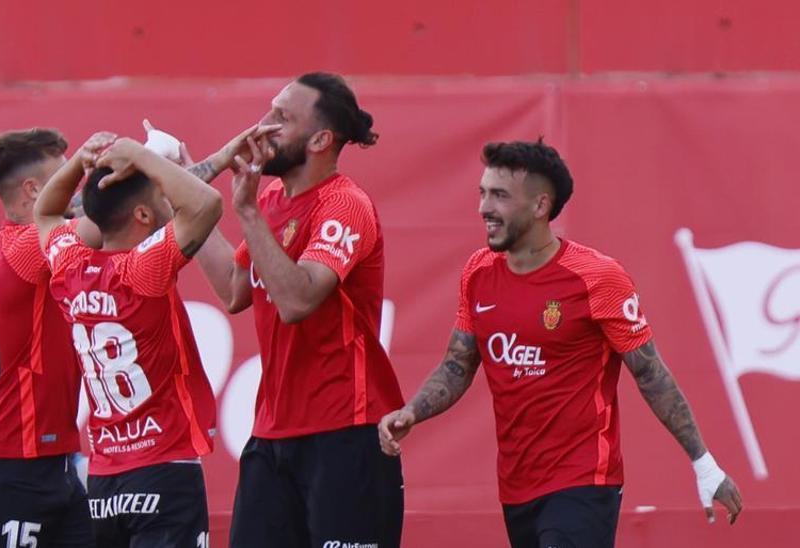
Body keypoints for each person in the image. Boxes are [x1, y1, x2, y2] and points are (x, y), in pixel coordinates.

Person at [378, 139, 745, 547]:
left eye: (499, 195)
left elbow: (650, 373)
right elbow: (458, 364)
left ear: (540, 206)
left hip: (584, 480)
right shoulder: (478, 272)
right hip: (516, 485)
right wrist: (412, 411)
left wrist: (704, 463)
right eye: (482, 193)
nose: (484, 207)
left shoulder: (597, 277)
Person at [195, 72, 405, 548]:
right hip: (271, 435)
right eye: (269, 112)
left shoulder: (344, 205)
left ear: (321, 139)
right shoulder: (271, 200)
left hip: (345, 434)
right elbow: (234, 290)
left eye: (281, 118)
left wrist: (245, 212)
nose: (263, 127)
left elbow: (297, 300)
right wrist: (188, 204)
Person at [35, 135, 221, 548]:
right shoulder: (144, 270)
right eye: (159, 196)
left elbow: (45, 212)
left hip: (104, 482)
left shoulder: (69, 265)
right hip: (163, 469)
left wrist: (77, 164)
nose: (167, 203)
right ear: (141, 213)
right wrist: (138, 153)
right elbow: (206, 205)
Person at [0, 128, 94, 548]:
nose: (77, 191)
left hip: (51, 461)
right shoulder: (30, 246)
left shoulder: (16, 243)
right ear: (34, 190)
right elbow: (111, 218)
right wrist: (153, 165)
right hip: (11, 465)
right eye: (68, 178)